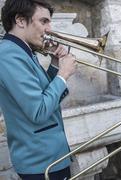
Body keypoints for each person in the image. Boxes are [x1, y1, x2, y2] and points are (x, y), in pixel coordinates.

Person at [0, 0, 76, 179]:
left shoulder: (23, 50)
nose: (49, 29)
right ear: (20, 20)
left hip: (51, 156)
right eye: (44, 21)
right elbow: (39, 110)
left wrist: (56, 65)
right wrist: (63, 75)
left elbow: (42, 93)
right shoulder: (9, 54)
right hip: (41, 161)